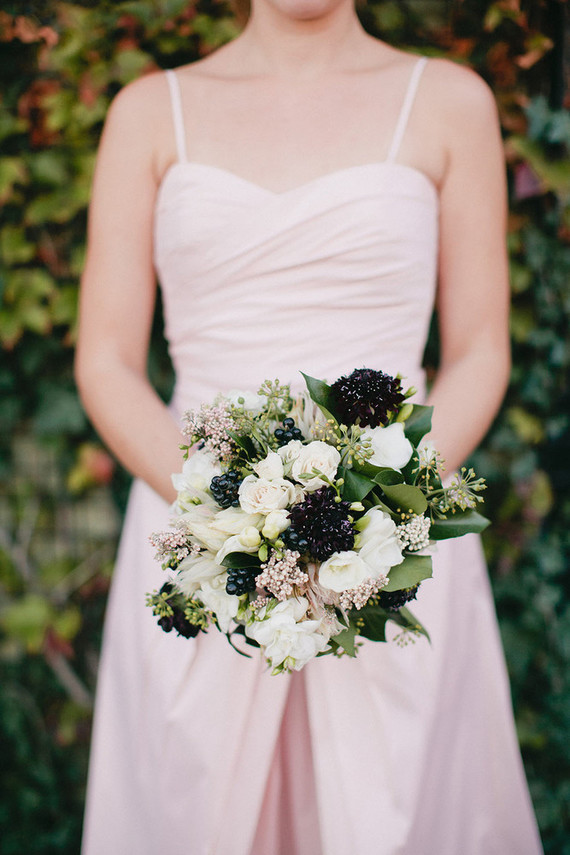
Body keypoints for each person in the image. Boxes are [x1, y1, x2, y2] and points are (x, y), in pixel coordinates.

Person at [75, 0, 544, 852]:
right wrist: (232, 513)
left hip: (393, 545)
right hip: (199, 534)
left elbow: (478, 351)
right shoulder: (149, 111)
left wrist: (380, 512)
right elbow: (105, 360)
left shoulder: (449, 101)